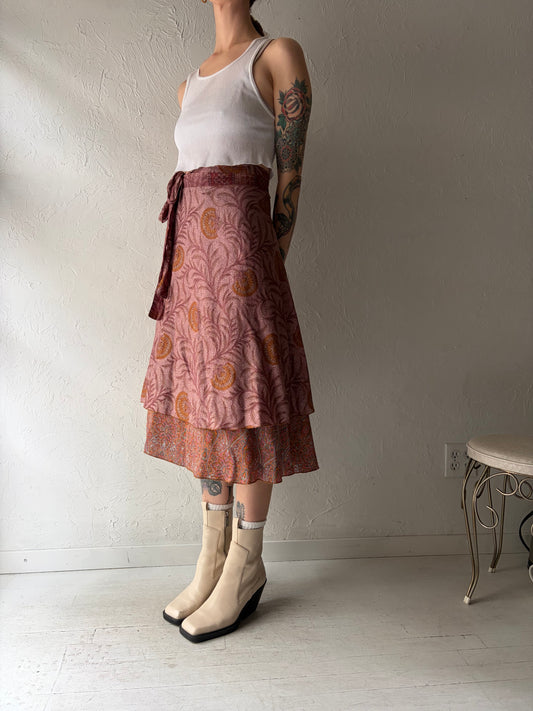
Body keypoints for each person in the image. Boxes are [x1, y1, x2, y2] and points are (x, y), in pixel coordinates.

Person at [139, 0, 319, 643]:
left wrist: (267, 264)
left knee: (249, 402)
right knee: (202, 404)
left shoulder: (276, 57)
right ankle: (213, 553)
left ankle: (247, 561)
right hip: (192, 270)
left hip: (244, 265)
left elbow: (290, 174)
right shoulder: (188, 85)